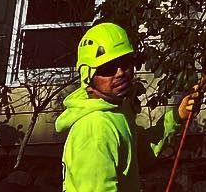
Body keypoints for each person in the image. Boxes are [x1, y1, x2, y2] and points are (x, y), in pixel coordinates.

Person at [57, 20, 197, 192]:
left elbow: (137, 154)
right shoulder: (95, 129)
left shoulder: (116, 110)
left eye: (125, 63)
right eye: (108, 68)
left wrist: (176, 117)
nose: (120, 73)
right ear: (87, 77)